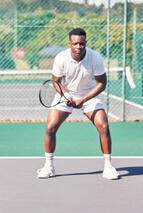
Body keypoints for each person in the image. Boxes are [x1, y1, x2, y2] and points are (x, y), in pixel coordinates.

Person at [37, 28, 119, 180]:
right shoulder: (61, 58)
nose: (78, 47)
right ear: (70, 43)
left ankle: (108, 167)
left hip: (88, 95)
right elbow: (56, 82)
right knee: (50, 127)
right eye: (75, 43)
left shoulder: (95, 57)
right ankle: (48, 166)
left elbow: (102, 83)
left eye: (82, 43)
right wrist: (66, 95)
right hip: (66, 94)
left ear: (85, 43)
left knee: (103, 125)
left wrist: (84, 100)